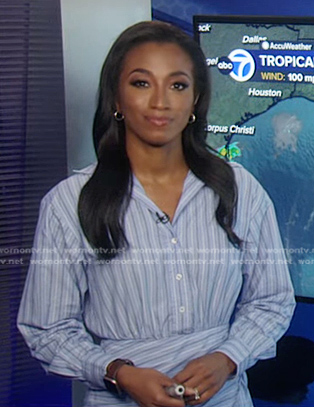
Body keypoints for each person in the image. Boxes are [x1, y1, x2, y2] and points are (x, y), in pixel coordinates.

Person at [17, 21, 295, 407]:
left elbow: (271, 301)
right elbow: (47, 329)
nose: (160, 101)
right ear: (116, 98)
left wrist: (227, 358)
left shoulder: (240, 189)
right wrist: (118, 373)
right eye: (141, 83)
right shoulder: (69, 203)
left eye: (177, 85)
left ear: (196, 99)